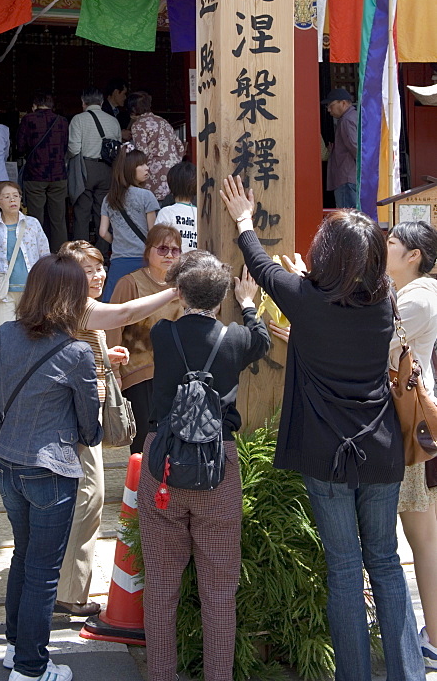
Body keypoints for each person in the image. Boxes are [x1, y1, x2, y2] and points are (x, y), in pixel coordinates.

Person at [219, 174, 425, 681]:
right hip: (380, 452)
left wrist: (244, 217)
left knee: (343, 569)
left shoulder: (306, 300)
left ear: (326, 257)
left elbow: (264, 270)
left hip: (327, 454)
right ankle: (407, 674)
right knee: (384, 564)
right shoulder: (384, 304)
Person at [0, 254, 103, 681]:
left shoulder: (5, 334)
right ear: (73, 298)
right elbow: (90, 427)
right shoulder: (77, 352)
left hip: (9, 465)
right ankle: (31, 667)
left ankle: (14, 648)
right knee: (42, 574)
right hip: (53, 471)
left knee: (23, 558)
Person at [138, 251, 271, 681]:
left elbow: (164, 312)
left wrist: (171, 295)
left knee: (160, 588)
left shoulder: (162, 333)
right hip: (218, 466)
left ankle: (162, 675)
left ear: (178, 292)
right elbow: (263, 341)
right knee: (219, 590)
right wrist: (248, 302)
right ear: (222, 296)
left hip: (164, 464)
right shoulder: (235, 338)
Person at [55, 238, 182, 617]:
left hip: (80, 412)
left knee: (84, 497)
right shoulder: (76, 304)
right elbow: (124, 312)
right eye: (88, 270)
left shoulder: (71, 307)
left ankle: (62, 584)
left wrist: (105, 356)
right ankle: (68, 593)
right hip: (75, 415)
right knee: (89, 497)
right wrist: (175, 289)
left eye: (99, 267)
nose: (98, 275)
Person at [387, 220, 437, 670]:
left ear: (414, 255)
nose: (385, 249)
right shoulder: (411, 293)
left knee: (422, 537)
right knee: (424, 536)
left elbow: (379, 348)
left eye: (392, 243)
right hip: (414, 421)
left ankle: (433, 636)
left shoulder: (417, 298)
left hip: (410, 426)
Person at [107, 224, 184, 452]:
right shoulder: (130, 283)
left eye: (175, 250)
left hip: (176, 375)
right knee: (144, 443)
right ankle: (140, 488)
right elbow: (113, 329)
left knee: (173, 441)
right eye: (162, 249)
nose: (169, 255)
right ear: (148, 251)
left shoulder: (184, 285)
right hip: (139, 375)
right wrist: (114, 373)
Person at [0, 180, 50, 335]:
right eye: (6, 197)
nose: (12, 200)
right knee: (3, 335)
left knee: (31, 336)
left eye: (16, 196)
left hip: (31, 290)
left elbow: (45, 255)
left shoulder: (32, 224)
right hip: (2, 292)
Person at [99, 147, 159, 302]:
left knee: (113, 303)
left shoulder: (109, 198)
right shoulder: (147, 196)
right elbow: (152, 233)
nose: (147, 168)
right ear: (130, 169)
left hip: (119, 260)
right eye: (141, 165)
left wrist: (118, 240)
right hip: (142, 259)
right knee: (143, 303)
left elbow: (102, 232)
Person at [67, 86, 121, 246]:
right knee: (103, 213)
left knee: (82, 213)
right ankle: (102, 252)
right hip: (107, 169)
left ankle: (82, 252)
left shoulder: (78, 119)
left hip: (85, 168)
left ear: (83, 102)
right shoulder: (113, 120)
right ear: (102, 101)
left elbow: (74, 148)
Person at [16, 92, 69, 252]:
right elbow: (65, 147)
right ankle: (60, 254)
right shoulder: (62, 121)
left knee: (35, 218)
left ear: (34, 105)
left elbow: (20, 147)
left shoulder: (28, 119)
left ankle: (36, 253)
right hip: (58, 174)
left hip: (35, 174)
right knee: (58, 219)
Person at [127, 91, 185, 204]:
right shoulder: (163, 122)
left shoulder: (138, 125)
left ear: (133, 109)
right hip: (172, 175)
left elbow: (141, 154)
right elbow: (180, 147)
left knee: (155, 213)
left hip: (154, 176)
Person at [322, 87, 358, 209]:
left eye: (331, 105)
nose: (328, 110)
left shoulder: (346, 120)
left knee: (348, 219)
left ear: (343, 103)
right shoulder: (353, 116)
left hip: (347, 177)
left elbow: (355, 147)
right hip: (350, 176)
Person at [155, 161, 197, 252]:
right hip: (199, 263)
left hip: (174, 264)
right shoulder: (202, 215)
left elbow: (157, 243)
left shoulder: (166, 212)